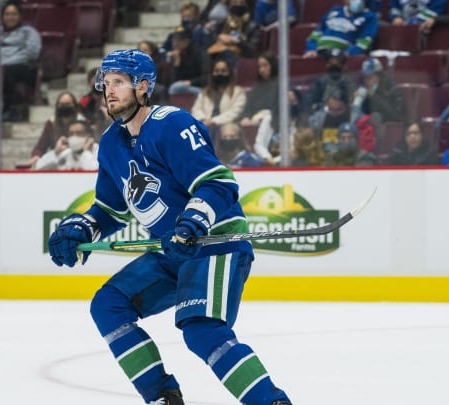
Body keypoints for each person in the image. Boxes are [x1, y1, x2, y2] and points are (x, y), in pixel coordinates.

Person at [47, 49, 293, 405]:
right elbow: (110, 209)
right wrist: (81, 229)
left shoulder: (172, 124)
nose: (109, 90)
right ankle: (163, 396)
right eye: (106, 83)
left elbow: (219, 183)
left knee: (202, 330)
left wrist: (192, 222)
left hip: (215, 241)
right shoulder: (111, 144)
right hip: (172, 249)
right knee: (109, 304)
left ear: (143, 86)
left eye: (119, 82)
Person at [0, 1, 41, 122]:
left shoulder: (29, 32)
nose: (10, 17)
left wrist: (6, 62)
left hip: (22, 67)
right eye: (7, 14)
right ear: (2, 17)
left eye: (14, 14)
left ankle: (10, 109)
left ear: (20, 16)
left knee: (8, 71)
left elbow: (32, 53)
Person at [190, 57, 246, 137]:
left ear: (229, 73)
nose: (220, 74)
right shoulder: (205, 92)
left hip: (227, 123)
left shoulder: (238, 91)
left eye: (223, 71)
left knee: (228, 130)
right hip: (206, 124)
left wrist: (213, 121)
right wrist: (203, 119)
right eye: (216, 71)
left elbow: (235, 112)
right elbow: (196, 109)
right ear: (212, 73)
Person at [30, 91, 87, 167]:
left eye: (67, 104)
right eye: (62, 104)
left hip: (79, 162)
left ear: (74, 106)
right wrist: (36, 155)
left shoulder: (83, 122)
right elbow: (40, 146)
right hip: (57, 161)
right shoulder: (51, 124)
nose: (64, 107)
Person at [303, 0, 379, 58]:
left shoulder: (369, 17)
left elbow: (364, 42)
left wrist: (348, 53)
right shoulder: (334, 10)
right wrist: (311, 49)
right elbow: (317, 33)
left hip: (342, 55)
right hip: (320, 52)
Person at [33, 120, 98, 171]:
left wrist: (86, 151)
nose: (74, 137)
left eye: (79, 133)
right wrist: (56, 152)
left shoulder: (99, 151)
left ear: (88, 136)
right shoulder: (66, 153)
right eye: (71, 134)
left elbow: (93, 172)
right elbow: (38, 168)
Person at [165, 26, 211, 97]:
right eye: (174, 40)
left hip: (199, 88)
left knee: (175, 88)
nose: (176, 43)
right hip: (179, 88)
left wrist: (191, 82)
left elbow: (207, 77)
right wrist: (177, 64)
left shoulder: (199, 53)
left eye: (180, 40)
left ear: (188, 41)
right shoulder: (174, 55)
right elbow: (171, 82)